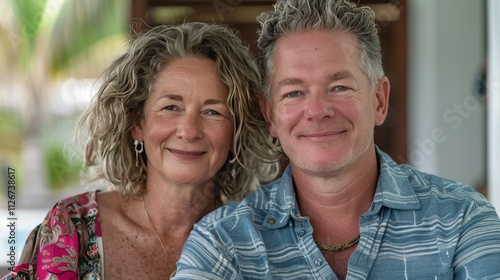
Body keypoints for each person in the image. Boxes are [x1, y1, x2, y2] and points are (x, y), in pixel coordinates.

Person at [173, 0, 500, 279]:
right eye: (294, 92)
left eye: (339, 87)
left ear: (379, 101)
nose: (317, 111)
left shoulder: (462, 219)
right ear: (270, 114)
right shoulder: (221, 242)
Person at [2, 22, 281, 279]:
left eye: (212, 111)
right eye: (171, 107)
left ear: (236, 132)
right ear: (137, 123)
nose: (189, 130)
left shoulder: (256, 244)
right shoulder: (71, 228)